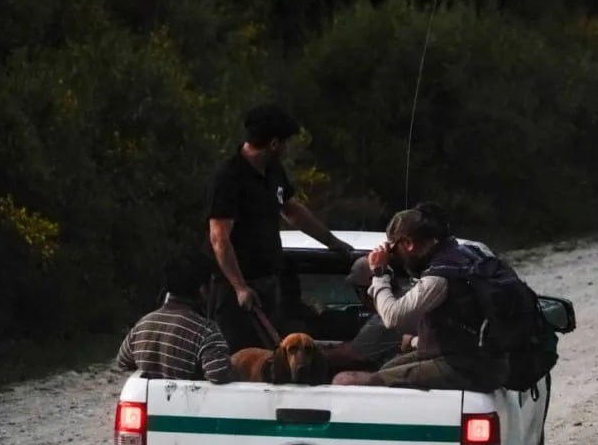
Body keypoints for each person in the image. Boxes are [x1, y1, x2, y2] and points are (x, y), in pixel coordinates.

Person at [207, 103, 353, 352]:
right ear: (274, 144)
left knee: (273, 357)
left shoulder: (273, 170)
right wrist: (240, 287)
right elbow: (219, 237)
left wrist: (333, 243)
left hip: (269, 284)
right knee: (242, 360)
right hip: (238, 294)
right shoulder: (229, 177)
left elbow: (292, 210)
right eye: (285, 143)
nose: (286, 149)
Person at [332, 203, 509, 391]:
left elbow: (392, 317)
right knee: (388, 368)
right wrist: (418, 341)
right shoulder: (467, 255)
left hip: (464, 367)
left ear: (408, 243)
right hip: (479, 361)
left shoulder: (440, 277)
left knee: (346, 381)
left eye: (394, 250)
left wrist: (379, 272)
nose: (395, 257)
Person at [117, 252, 236, 384]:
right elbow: (219, 375)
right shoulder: (206, 332)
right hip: (187, 404)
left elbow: (122, 361)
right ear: (203, 290)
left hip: (149, 402)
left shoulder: (143, 324)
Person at [323, 256, 417, 372]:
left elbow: (349, 355)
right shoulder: (413, 297)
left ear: (365, 292)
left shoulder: (381, 322)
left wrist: (314, 352)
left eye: (357, 291)